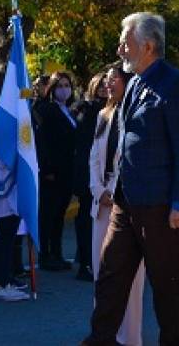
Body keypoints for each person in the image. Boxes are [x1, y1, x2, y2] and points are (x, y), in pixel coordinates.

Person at [83, 12, 179, 346]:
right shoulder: (133, 83)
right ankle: (99, 339)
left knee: (166, 289)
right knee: (109, 278)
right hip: (125, 203)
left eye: (126, 40)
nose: (120, 49)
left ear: (148, 45)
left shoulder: (177, 85)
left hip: (162, 209)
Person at [89, 62, 144, 346]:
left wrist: (114, 189)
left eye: (114, 80)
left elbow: (133, 159)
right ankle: (104, 334)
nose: (108, 85)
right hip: (102, 205)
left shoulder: (136, 113)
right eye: (106, 80)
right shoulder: (102, 115)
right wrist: (99, 190)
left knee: (130, 278)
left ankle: (130, 338)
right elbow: (94, 158)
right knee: (102, 272)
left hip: (128, 202)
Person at [36, 71, 77, 271]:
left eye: (67, 85)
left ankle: (57, 252)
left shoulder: (69, 110)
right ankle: (45, 255)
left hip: (67, 171)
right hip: (51, 172)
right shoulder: (46, 110)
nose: (64, 89)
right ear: (51, 89)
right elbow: (43, 142)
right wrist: (47, 168)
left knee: (59, 215)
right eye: (59, 86)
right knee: (48, 214)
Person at [72, 71, 107, 281]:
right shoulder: (86, 109)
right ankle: (85, 261)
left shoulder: (117, 108)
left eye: (107, 84)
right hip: (89, 172)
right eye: (100, 84)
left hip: (108, 173)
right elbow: (83, 145)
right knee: (86, 218)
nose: (104, 88)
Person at [0, 156, 30, 301]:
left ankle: (6, 280)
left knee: (8, 246)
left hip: (13, 202)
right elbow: (1, 162)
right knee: (2, 246)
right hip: (2, 204)